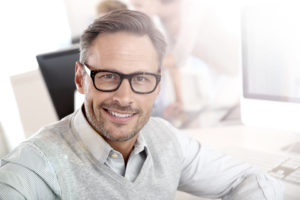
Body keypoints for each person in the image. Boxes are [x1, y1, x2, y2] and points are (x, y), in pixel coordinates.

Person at [0, 10, 282, 199]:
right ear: (80, 78)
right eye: (108, 76)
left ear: (158, 86)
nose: (124, 97)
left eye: (142, 79)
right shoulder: (32, 168)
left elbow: (252, 179)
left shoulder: (165, 138)